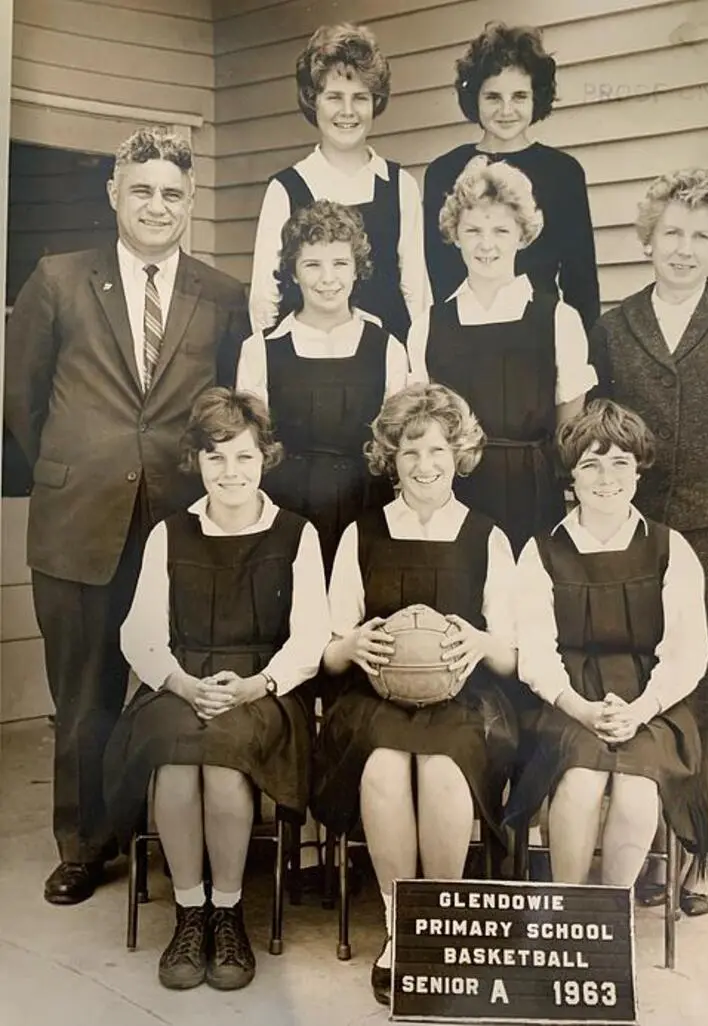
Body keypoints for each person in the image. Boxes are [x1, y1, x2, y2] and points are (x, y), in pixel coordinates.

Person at [3, 127, 252, 906]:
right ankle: (84, 844)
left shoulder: (221, 294)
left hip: (182, 523)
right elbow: (21, 400)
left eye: (172, 193)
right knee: (83, 697)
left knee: (176, 688)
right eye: (141, 189)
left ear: (190, 204)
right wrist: (83, 460)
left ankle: (167, 834)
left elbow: (228, 409)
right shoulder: (57, 280)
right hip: (79, 520)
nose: (156, 205)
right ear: (114, 194)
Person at [104, 388, 330, 991]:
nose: (231, 472)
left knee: (226, 766)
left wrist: (256, 684)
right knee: (178, 766)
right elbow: (140, 633)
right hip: (180, 682)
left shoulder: (296, 534)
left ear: (265, 459)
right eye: (217, 458)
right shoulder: (169, 534)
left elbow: (310, 638)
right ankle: (189, 913)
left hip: (265, 688)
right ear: (198, 462)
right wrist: (181, 682)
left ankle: (228, 914)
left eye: (244, 458)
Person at [590, 168, 708, 915]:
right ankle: (662, 845)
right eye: (672, 233)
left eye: (701, 236)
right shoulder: (615, 323)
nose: (685, 248)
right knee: (657, 685)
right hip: (646, 526)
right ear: (648, 240)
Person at [312, 383, 519, 1006]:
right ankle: (401, 930)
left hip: (467, 702)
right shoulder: (361, 534)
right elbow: (327, 646)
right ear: (389, 459)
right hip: (376, 700)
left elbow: (510, 657)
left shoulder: (487, 536)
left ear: (458, 452)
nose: (424, 466)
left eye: (435, 450)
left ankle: (442, 921)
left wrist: (478, 643)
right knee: (381, 767)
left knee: (443, 769)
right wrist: (353, 646)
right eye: (409, 453)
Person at [507, 400, 708, 889]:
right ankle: (568, 913)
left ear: (638, 472)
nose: (606, 477)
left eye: (620, 462)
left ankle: (609, 921)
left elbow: (689, 651)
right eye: (590, 464)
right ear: (571, 478)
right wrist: (580, 709)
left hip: (651, 702)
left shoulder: (670, 547)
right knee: (578, 786)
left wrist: (641, 710)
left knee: (639, 792)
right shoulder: (541, 551)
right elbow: (535, 651)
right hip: (568, 701)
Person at [409, 156, 595, 556]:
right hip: (455, 490)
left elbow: (569, 425)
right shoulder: (429, 324)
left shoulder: (557, 318)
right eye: (473, 230)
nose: (486, 244)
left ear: (522, 236)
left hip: (533, 490)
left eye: (500, 230)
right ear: (455, 235)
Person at [238, 199, 408, 574]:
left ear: (357, 269)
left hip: (366, 507)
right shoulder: (260, 350)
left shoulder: (387, 347)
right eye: (312, 264)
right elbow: (250, 445)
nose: (327, 278)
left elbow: (398, 444)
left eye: (340, 264)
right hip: (286, 509)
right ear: (294, 272)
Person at [249, 22, 430, 341]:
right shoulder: (286, 189)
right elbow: (265, 299)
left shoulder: (400, 185)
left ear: (375, 101)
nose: (348, 112)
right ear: (312, 99)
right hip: (308, 363)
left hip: (387, 365)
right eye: (334, 97)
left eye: (360, 97)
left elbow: (417, 293)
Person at [423, 23, 599, 332]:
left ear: (537, 98)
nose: (506, 110)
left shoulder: (563, 172)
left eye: (519, 96)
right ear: (474, 98)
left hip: (542, 334)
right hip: (464, 333)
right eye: (493, 97)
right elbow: (437, 273)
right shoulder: (444, 171)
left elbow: (580, 280)